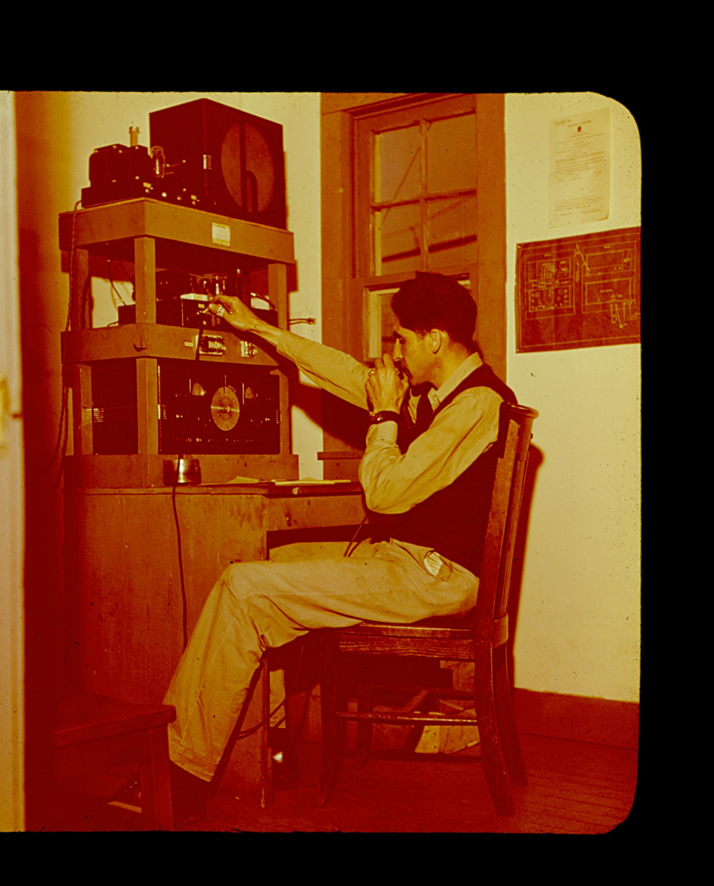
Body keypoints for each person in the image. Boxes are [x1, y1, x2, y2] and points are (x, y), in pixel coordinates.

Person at [111, 271, 516, 823]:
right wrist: (258, 329)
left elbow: (385, 492)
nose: (394, 352)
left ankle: (176, 777)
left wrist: (384, 416)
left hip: (434, 576)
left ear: (435, 339)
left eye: (401, 339)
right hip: (408, 562)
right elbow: (345, 373)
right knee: (263, 566)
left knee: (246, 588)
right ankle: (274, 746)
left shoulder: (477, 405)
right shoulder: (439, 395)